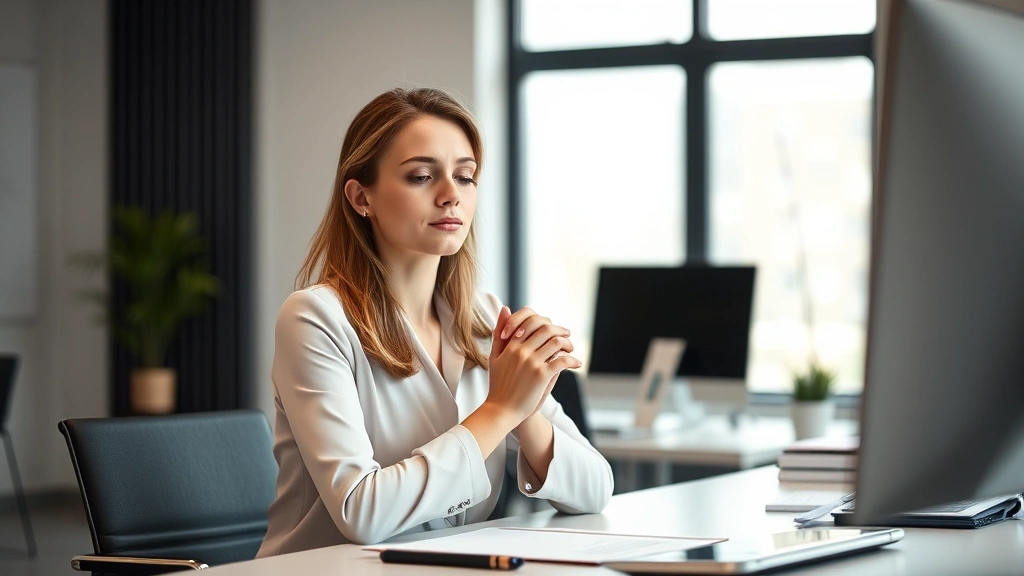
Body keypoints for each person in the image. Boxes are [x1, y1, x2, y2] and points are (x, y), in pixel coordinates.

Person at [257, 87, 614, 556]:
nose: (451, 196)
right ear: (361, 197)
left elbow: (597, 489)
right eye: (423, 176)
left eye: (465, 177)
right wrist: (500, 409)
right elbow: (361, 513)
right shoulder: (314, 318)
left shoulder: (484, 317)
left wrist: (526, 409)